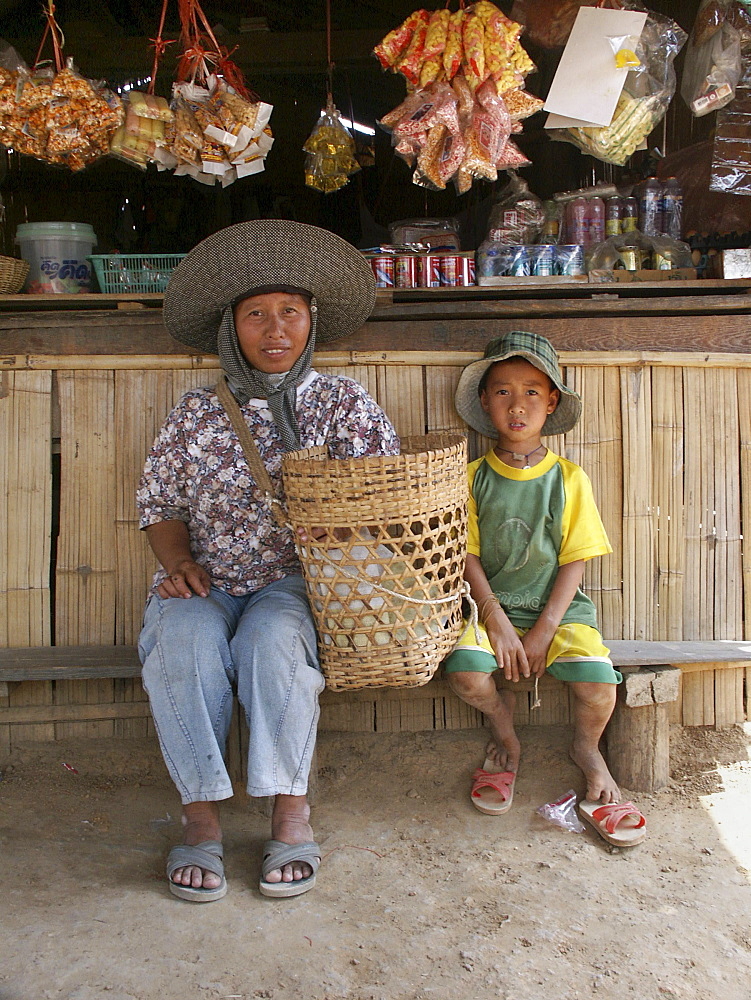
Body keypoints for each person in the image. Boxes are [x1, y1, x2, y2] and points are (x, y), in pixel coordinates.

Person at [136, 219, 399, 901]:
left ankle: (289, 812)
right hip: (209, 578)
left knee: (271, 646)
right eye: (256, 314)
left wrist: (338, 541)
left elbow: (381, 503)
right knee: (181, 643)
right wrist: (177, 562)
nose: (274, 328)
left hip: (296, 585)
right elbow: (159, 502)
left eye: (290, 312)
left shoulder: (343, 404)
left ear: (311, 323)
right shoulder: (196, 411)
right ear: (232, 326)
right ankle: (200, 822)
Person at [445, 331, 644, 841]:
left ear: (552, 401)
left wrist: (544, 629)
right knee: (468, 676)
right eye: (503, 391)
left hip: (561, 612)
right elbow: (464, 555)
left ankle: (586, 749)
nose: (518, 405)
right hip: (489, 610)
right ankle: (504, 727)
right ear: (485, 402)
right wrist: (498, 622)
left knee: (600, 688)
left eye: (532, 391)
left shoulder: (570, 478)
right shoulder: (469, 478)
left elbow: (576, 559)